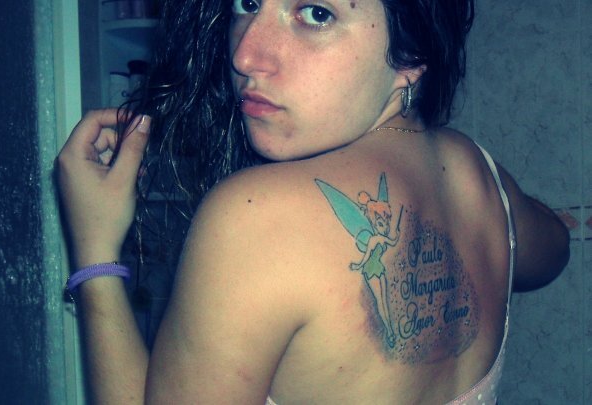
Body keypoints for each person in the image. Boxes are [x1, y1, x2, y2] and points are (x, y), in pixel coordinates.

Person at [55, 0, 570, 403]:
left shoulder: (255, 219)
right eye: (248, 3)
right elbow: (553, 254)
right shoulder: (480, 173)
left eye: (316, 13)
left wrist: (95, 250)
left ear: (410, 55)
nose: (245, 54)